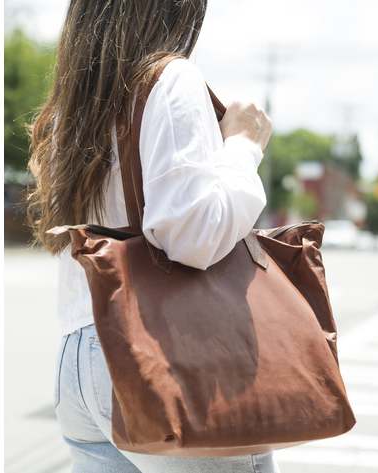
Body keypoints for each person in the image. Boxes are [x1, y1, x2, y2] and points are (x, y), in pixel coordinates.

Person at [27, 1, 276, 472]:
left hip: (79, 360)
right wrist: (242, 147)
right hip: (157, 355)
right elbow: (192, 235)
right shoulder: (170, 78)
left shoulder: (73, 102)